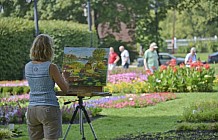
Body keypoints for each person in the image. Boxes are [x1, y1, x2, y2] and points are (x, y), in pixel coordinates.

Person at [25, 34, 69, 140]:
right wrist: (66, 77)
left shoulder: (28, 66)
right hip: (48, 108)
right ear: (49, 49)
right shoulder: (51, 67)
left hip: (32, 109)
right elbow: (65, 89)